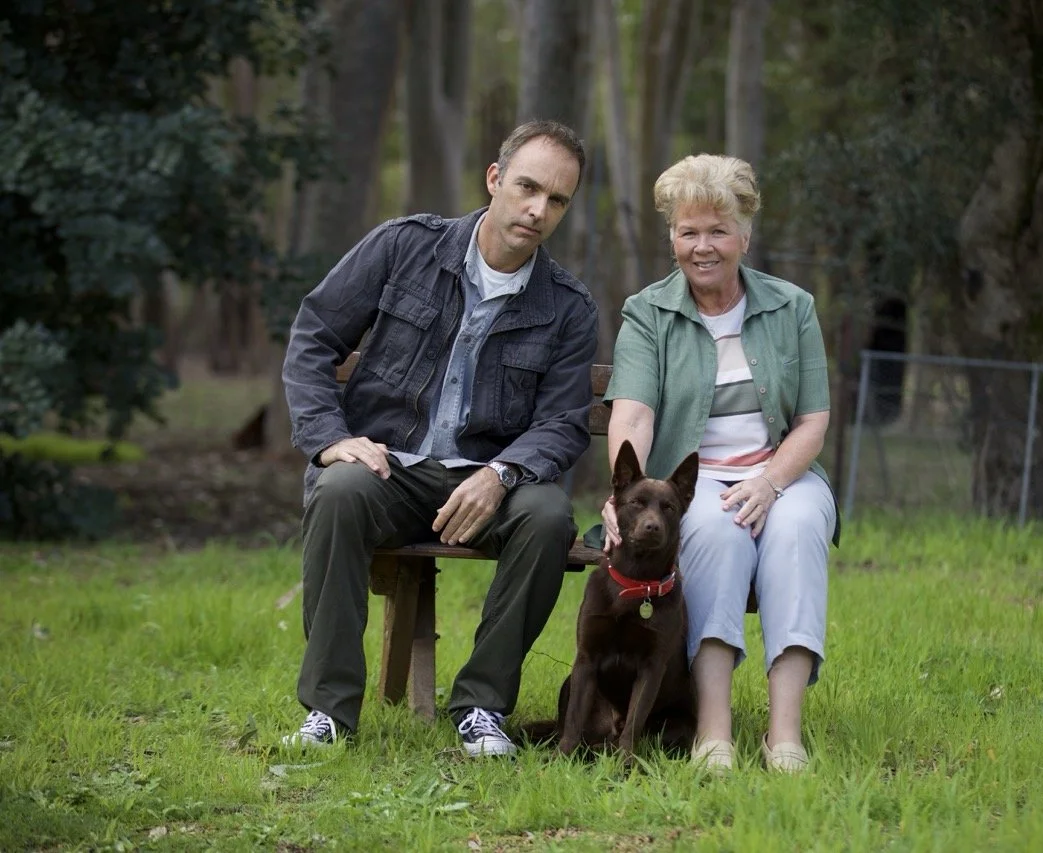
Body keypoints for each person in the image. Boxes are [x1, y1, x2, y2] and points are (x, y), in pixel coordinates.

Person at [280, 120, 599, 756]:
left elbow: (562, 423)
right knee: (339, 490)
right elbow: (313, 336)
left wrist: (502, 473)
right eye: (527, 187)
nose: (538, 210)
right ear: (494, 179)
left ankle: (481, 707)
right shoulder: (404, 248)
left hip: (486, 482)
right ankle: (329, 713)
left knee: (548, 514)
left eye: (556, 199)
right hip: (386, 471)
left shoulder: (567, 306)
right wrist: (330, 439)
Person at [601, 154, 837, 773]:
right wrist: (620, 494)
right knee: (712, 530)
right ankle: (713, 731)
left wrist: (769, 481)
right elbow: (633, 415)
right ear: (672, 236)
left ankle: (784, 735)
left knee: (797, 528)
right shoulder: (647, 313)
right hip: (688, 488)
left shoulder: (793, 308)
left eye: (718, 231)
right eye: (688, 231)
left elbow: (813, 420)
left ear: (745, 235)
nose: (702, 246)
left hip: (782, 473)